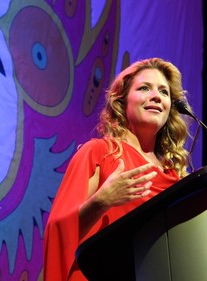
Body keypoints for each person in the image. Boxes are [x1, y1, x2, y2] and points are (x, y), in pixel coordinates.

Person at [43, 57, 193, 280]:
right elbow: (58, 231)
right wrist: (102, 200)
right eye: (144, 88)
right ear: (122, 102)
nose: (156, 97)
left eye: (164, 92)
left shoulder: (177, 178)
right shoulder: (99, 154)